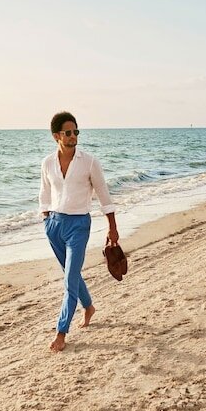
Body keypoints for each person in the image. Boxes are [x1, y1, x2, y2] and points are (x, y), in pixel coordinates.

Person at [39, 111, 119, 353]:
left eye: (76, 132)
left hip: (78, 226)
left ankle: (61, 332)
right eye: (68, 132)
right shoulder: (47, 163)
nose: (74, 136)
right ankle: (89, 306)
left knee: (69, 280)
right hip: (54, 225)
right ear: (57, 136)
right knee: (70, 275)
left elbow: (104, 195)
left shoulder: (90, 162)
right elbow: (44, 193)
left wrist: (112, 227)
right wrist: (45, 218)